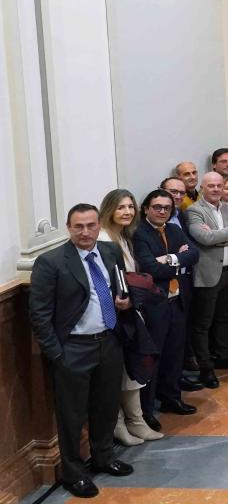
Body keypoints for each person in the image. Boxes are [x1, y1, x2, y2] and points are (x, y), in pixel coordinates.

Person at [29, 204, 136, 498]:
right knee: (72, 416)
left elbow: (123, 286)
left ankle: (104, 458)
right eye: (79, 226)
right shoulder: (51, 262)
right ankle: (73, 474)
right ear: (68, 228)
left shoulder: (110, 252)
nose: (85, 232)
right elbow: (39, 314)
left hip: (109, 342)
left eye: (90, 225)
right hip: (73, 349)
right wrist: (57, 354)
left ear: (99, 225)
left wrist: (127, 301)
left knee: (105, 407)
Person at [95, 190, 164, 446]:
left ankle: (136, 421)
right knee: (118, 372)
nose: (127, 212)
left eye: (130, 207)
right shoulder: (103, 238)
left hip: (130, 309)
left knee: (131, 368)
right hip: (113, 314)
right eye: (121, 207)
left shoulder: (123, 236)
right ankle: (120, 424)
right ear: (109, 209)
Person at [133, 189, 201, 425]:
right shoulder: (139, 233)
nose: (162, 211)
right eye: (157, 207)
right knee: (155, 357)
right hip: (156, 304)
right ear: (146, 209)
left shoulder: (173, 229)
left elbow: (194, 254)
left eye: (167, 208)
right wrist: (177, 260)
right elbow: (150, 268)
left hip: (178, 300)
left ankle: (172, 397)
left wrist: (170, 258)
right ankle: (147, 410)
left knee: (175, 353)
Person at [186, 172, 228, 389]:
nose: (215, 189)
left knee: (224, 318)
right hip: (208, 275)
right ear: (202, 188)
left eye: (219, 185)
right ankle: (206, 367)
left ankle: (223, 355)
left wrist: (216, 237)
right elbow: (204, 238)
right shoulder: (194, 210)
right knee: (203, 323)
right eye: (210, 185)